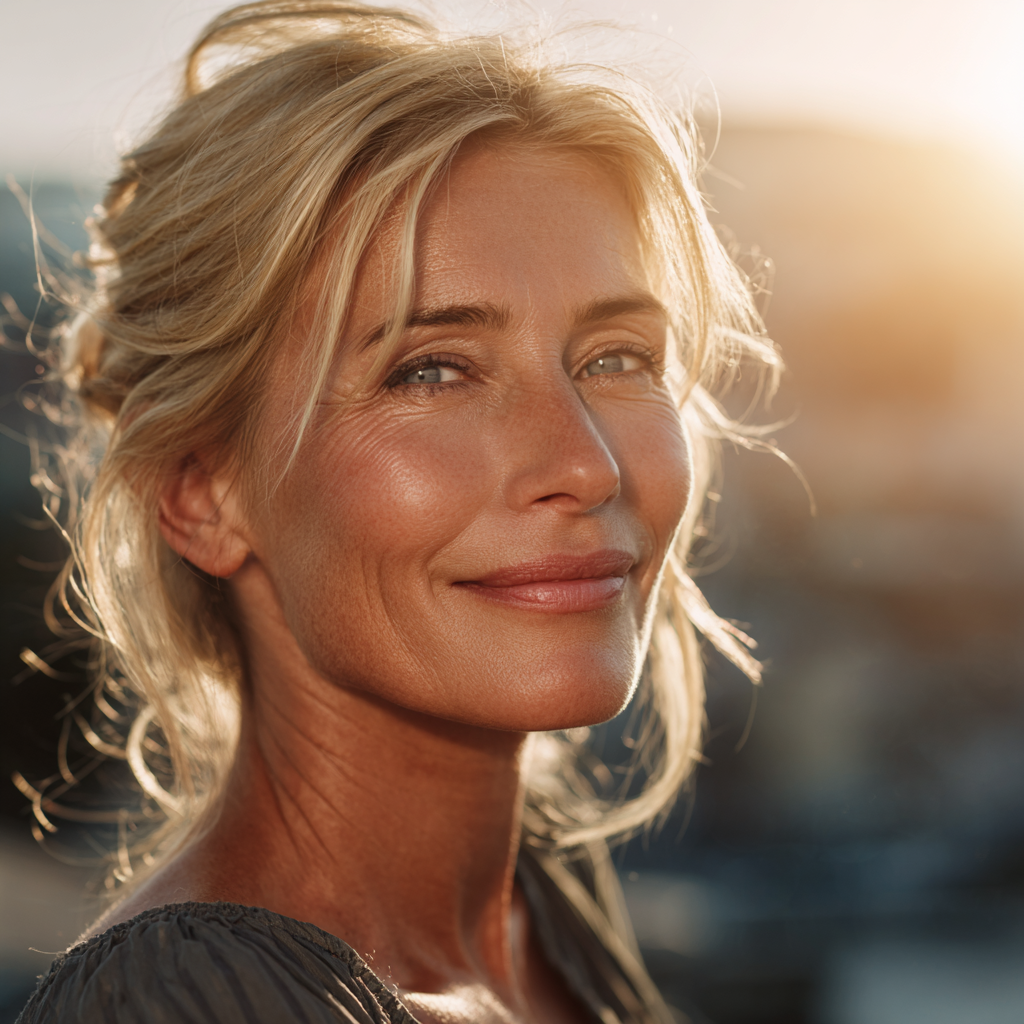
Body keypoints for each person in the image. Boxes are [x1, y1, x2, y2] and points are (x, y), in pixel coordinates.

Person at [16, 2, 778, 1021]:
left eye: (616, 358)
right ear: (201, 489)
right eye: (432, 370)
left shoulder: (534, 918)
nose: (586, 465)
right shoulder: (189, 1003)